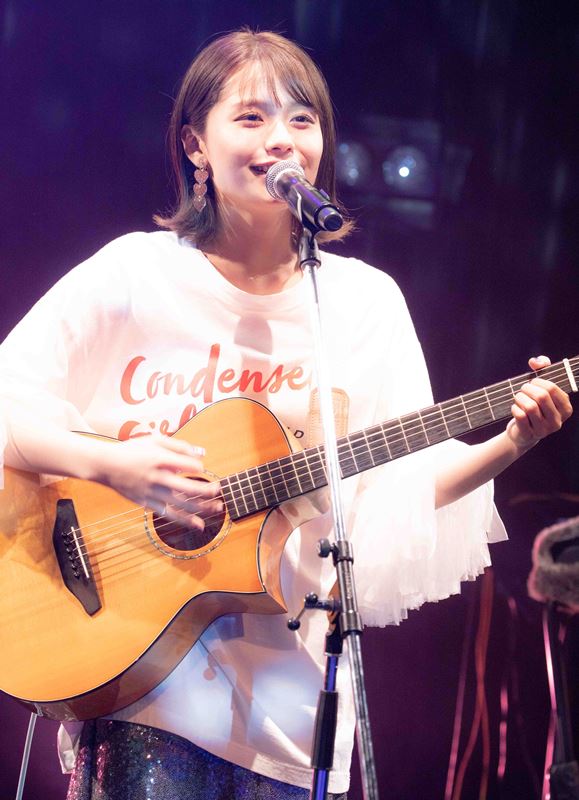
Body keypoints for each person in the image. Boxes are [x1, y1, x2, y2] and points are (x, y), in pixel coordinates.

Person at [0, 29, 573, 800]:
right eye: (251, 117)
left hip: (291, 709)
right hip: (139, 689)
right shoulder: (135, 274)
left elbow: (395, 488)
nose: (281, 139)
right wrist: (113, 465)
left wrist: (510, 441)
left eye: (302, 119)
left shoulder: (361, 303)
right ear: (194, 144)